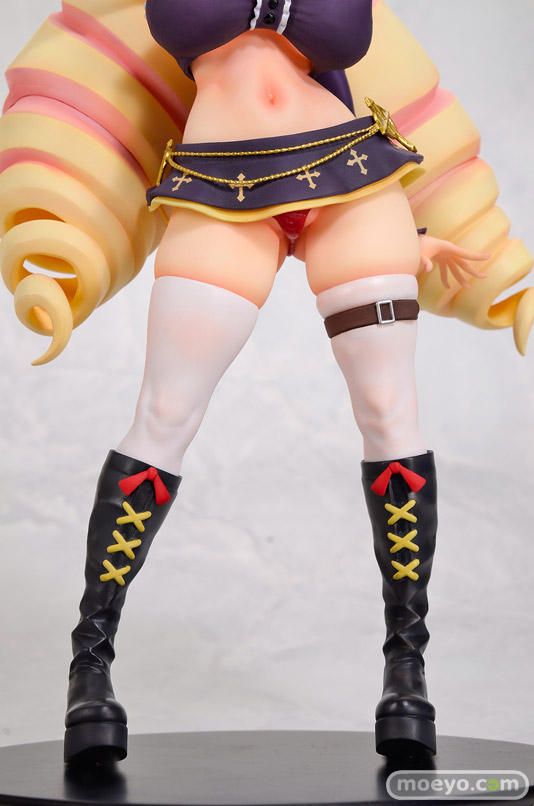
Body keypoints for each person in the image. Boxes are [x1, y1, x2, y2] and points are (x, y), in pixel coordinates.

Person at [0, 0, 531, 764]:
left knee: (389, 411)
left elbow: (369, 58)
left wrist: (429, 227)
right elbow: (155, 42)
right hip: (222, 185)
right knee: (165, 414)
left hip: (352, 177)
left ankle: (406, 670)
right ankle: (90, 667)